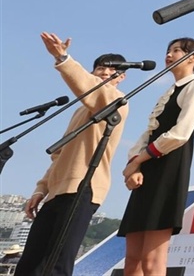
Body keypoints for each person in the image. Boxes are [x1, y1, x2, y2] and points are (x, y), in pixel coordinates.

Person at [16, 33, 129, 276]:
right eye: (99, 68)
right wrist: (40, 189)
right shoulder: (81, 109)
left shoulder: (116, 100)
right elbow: (60, 155)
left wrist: (62, 58)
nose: (104, 73)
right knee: (30, 263)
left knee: (57, 264)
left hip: (83, 187)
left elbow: (91, 90)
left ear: (122, 77)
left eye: (111, 71)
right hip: (57, 191)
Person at [117, 37, 194, 275]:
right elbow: (148, 133)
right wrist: (134, 165)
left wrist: (139, 160)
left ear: (193, 57)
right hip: (147, 168)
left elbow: (180, 133)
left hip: (169, 168)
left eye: (176, 51)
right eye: (168, 51)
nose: (169, 55)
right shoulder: (169, 91)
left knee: (152, 261)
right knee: (132, 262)